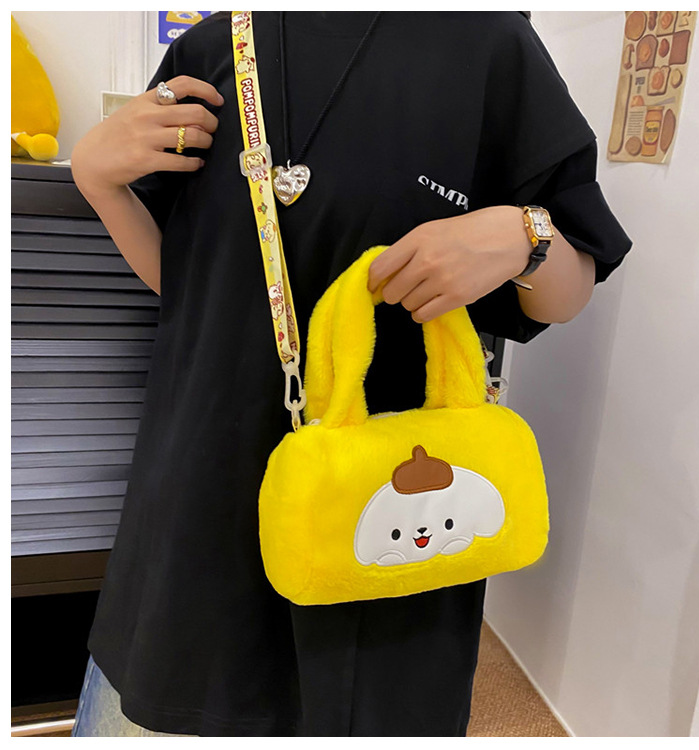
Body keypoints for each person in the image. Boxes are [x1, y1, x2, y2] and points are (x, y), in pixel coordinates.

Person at [69, 11, 632, 737]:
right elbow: (193, 283)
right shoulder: (211, 50)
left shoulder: (488, 46)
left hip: (396, 512)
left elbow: (569, 290)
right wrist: (99, 181)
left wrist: (525, 235)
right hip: (205, 494)